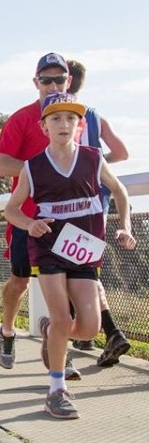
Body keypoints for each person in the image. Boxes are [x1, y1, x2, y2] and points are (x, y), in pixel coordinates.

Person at [4, 92, 135, 419]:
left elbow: (119, 191)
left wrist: (126, 226)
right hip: (49, 248)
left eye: (71, 119)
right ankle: (57, 389)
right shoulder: (33, 168)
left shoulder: (92, 159)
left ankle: (51, 332)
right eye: (56, 119)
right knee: (64, 317)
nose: (64, 124)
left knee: (89, 328)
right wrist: (30, 223)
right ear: (43, 126)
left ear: (79, 126)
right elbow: (11, 209)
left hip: (84, 249)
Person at [0, 52, 82, 379]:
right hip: (27, 218)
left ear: (69, 82)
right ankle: (6, 331)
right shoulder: (21, 119)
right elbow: (2, 165)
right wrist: (41, 173)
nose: (54, 85)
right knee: (19, 282)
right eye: (47, 80)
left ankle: (59, 352)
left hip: (69, 220)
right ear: (36, 83)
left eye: (60, 79)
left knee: (71, 286)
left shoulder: (75, 118)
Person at [66, 60, 132, 365]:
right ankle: (91, 333)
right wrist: (97, 164)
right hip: (98, 201)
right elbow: (122, 153)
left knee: (70, 269)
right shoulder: (95, 116)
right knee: (85, 267)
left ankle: (101, 331)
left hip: (69, 198)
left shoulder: (57, 115)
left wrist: (83, 163)